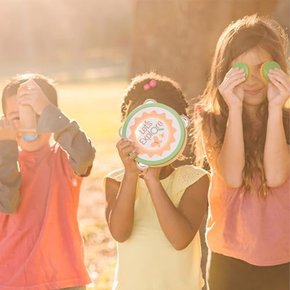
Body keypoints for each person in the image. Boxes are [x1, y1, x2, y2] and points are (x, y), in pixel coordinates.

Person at [192, 14, 290, 290]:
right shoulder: (211, 120)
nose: (253, 79)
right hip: (229, 260)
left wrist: (275, 109)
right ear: (225, 72)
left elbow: (276, 175)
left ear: (278, 68)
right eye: (241, 69)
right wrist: (233, 108)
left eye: (262, 67)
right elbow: (233, 176)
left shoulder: (286, 121)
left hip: (283, 259)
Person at [104, 72, 209, 290]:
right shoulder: (116, 182)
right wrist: (132, 175)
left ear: (179, 128)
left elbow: (180, 239)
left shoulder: (194, 180)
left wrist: (152, 179)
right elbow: (120, 233)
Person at [0, 73, 96, 290]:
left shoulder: (63, 158)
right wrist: (5, 151)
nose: (28, 124)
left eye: (37, 114)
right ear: (4, 120)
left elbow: (85, 154)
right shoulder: (3, 159)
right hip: (11, 280)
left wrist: (49, 111)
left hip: (64, 279)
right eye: (17, 117)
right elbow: (7, 202)